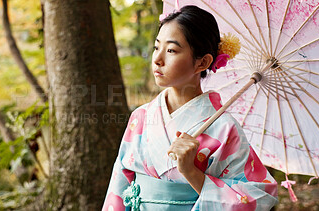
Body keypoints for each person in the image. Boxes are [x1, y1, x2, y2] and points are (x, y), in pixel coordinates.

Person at [103, 5, 278, 211]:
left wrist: (191, 173)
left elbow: (260, 196)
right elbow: (119, 182)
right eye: (156, 47)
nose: (158, 59)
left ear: (202, 62)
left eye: (171, 50)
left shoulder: (224, 129)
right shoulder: (141, 116)